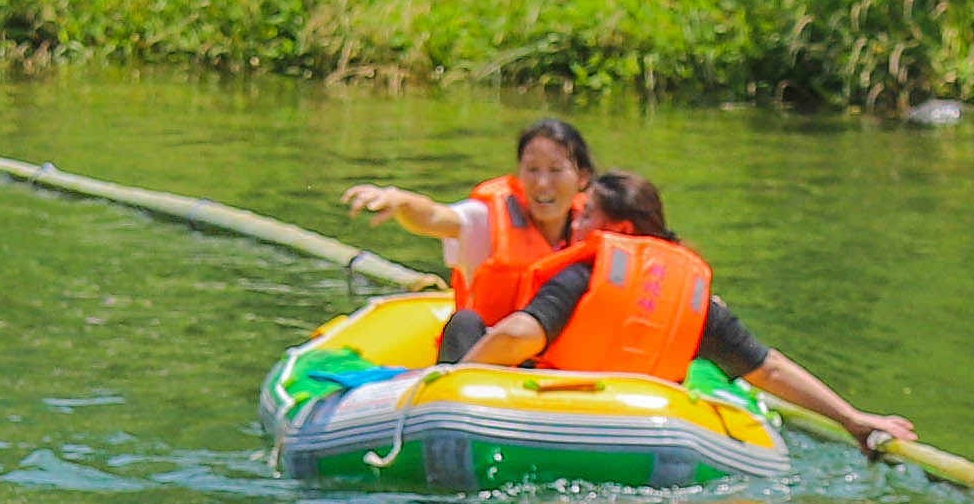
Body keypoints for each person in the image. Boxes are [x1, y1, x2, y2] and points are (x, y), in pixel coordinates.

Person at [455, 174, 919, 460]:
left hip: (548, 423)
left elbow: (517, 335)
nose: (576, 222)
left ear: (619, 229)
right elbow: (769, 369)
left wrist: (445, 385)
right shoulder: (692, 299)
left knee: (465, 324)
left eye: (587, 214)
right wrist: (853, 419)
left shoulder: (584, 272)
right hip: (649, 435)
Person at [342, 116, 598, 329]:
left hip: (558, 362)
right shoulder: (486, 220)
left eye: (555, 170)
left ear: (582, 178)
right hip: (485, 354)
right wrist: (400, 201)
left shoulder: (597, 227)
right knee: (465, 322)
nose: (542, 183)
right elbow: (434, 217)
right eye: (532, 170)